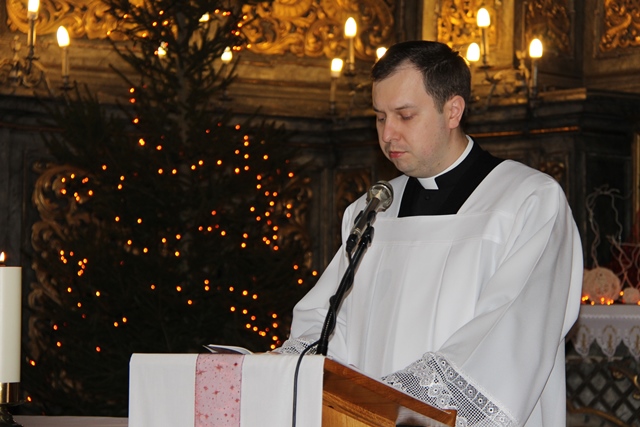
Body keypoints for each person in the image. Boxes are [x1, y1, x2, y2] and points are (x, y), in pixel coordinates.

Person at [275, 40, 583, 427]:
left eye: (404, 116)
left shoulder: (528, 202)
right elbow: (327, 322)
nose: (388, 134)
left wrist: (404, 404)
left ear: (453, 111)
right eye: (380, 117)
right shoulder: (373, 211)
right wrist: (292, 369)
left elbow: (510, 335)